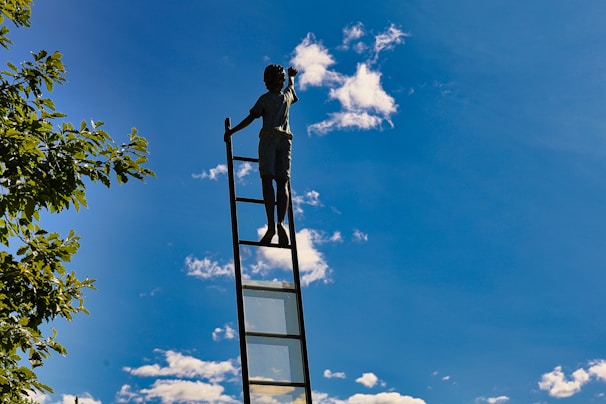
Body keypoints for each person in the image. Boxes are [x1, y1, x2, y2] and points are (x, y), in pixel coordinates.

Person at [224, 64, 299, 247]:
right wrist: (292, 77)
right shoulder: (286, 98)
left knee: (267, 180)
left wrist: (232, 132)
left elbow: (251, 118)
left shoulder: (264, 99)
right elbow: (291, 89)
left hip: (268, 139)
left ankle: (272, 225)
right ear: (280, 81)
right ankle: (281, 222)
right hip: (285, 140)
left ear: (266, 82)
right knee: (282, 182)